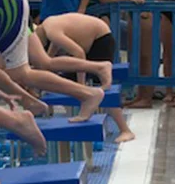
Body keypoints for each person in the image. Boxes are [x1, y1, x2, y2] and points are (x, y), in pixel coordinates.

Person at [32, 13, 134, 143]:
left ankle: (125, 130)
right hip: (94, 40)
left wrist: (82, 85)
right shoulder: (49, 25)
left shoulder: (51, 31)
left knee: (104, 91)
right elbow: (49, 56)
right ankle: (78, 124)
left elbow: (79, 53)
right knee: (67, 82)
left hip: (100, 40)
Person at [121, 0, 163, 108]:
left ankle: (146, 97)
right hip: (135, 13)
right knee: (135, 55)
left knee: (147, 56)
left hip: (146, 15)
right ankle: (140, 95)